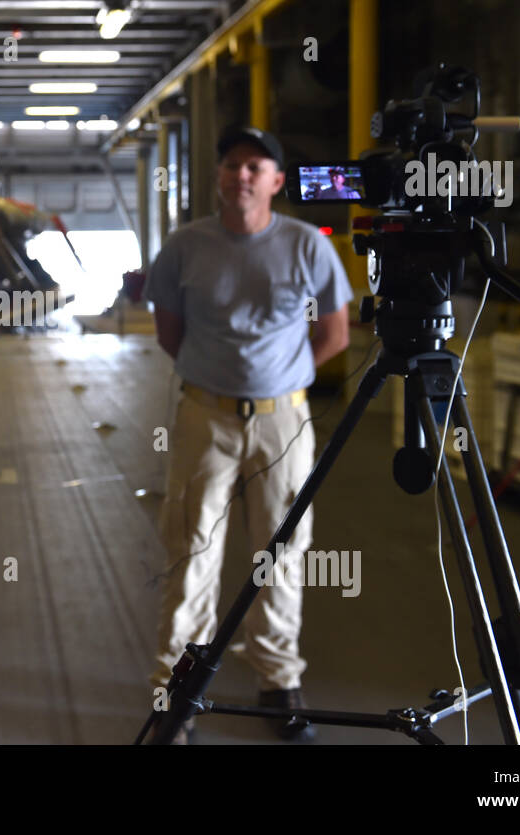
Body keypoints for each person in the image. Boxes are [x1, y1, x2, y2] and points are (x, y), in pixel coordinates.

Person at [144, 126, 352, 743]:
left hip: (284, 419)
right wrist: (223, 381)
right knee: (191, 552)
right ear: (217, 175)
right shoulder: (185, 247)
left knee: (282, 553)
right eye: (232, 164)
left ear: (277, 182)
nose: (242, 175)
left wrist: (279, 384)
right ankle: (176, 691)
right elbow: (169, 333)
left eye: (255, 167)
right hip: (204, 417)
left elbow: (335, 334)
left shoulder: (309, 245)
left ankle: (278, 681)